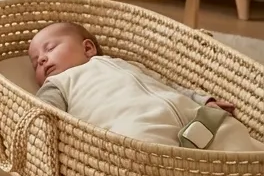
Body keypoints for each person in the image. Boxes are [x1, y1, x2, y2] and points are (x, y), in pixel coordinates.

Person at [29, 22, 264, 151]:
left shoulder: (125, 63)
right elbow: (43, 109)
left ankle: (251, 172)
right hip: (135, 125)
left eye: (49, 49)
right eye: (35, 62)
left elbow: (167, 85)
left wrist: (204, 101)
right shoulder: (58, 84)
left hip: (189, 113)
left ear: (88, 48)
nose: (41, 59)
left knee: (230, 130)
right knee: (150, 156)